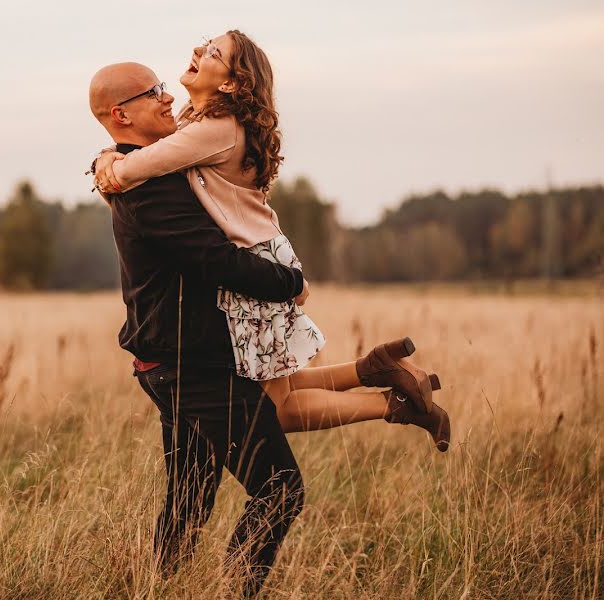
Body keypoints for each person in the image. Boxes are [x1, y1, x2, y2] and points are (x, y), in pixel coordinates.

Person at [93, 31, 451, 448]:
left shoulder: (213, 130)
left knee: (277, 408)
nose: (197, 51)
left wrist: (106, 165)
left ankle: (391, 405)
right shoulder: (200, 120)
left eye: (212, 52)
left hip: (251, 261)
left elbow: (133, 170)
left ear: (228, 83)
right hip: (262, 251)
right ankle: (376, 369)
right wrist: (107, 155)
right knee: (279, 383)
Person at [90, 61, 310, 598]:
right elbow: (216, 261)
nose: (167, 98)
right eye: (153, 93)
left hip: (174, 359)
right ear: (120, 114)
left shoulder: (140, 167)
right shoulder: (149, 190)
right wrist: (291, 281)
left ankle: (157, 587)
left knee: (188, 499)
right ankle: (237, 591)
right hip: (190, 364)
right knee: (280, 488)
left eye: (165, 88)